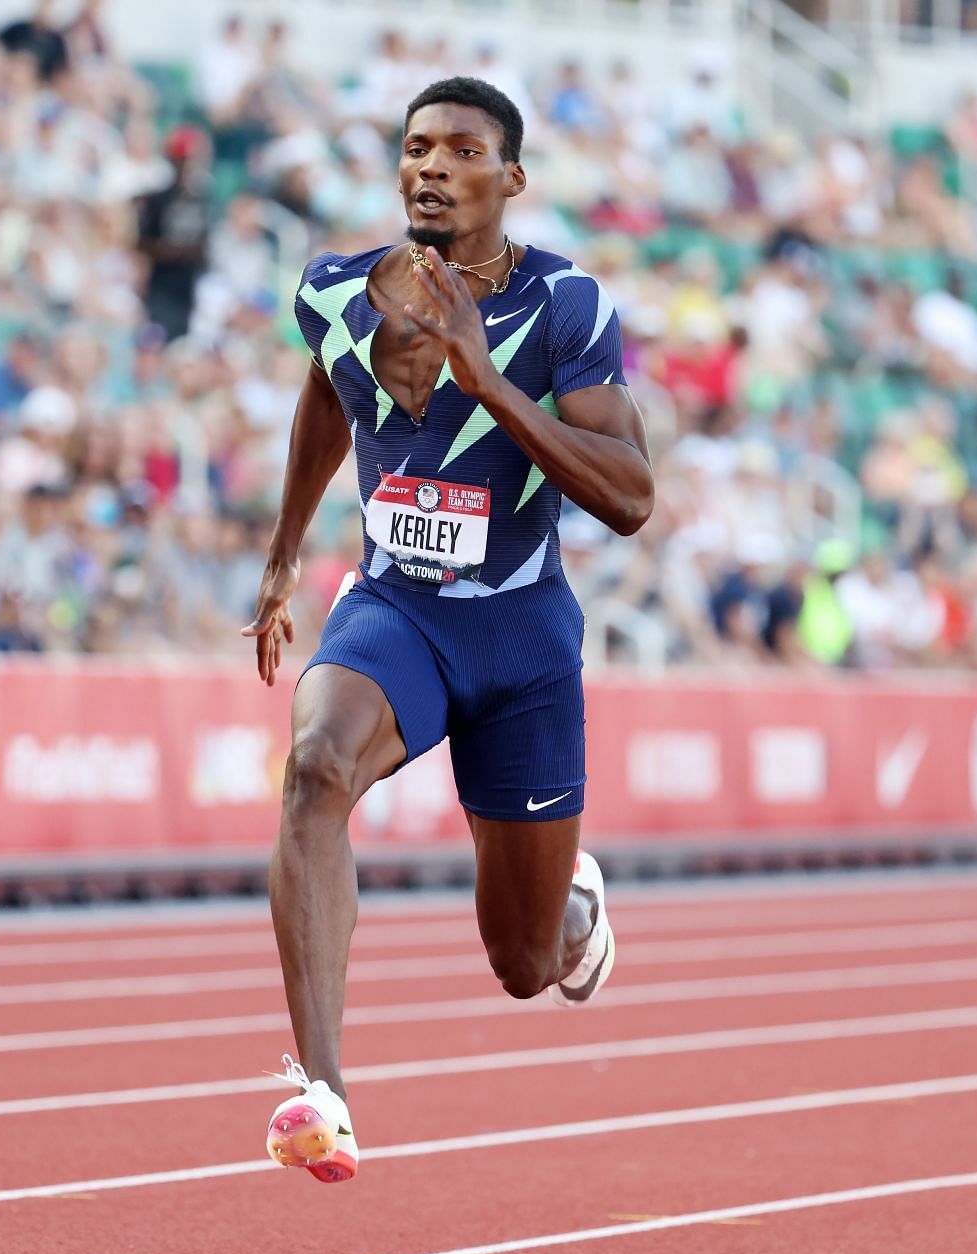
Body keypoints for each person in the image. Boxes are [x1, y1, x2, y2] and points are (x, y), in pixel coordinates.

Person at [242, 78, 653, 1182]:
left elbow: (630, 495)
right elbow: (330, 397)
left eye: (461, 151)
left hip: (519, 640)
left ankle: (572, 902)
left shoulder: (565, 307)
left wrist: (491, 383)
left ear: (508, 179)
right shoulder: (332, 290)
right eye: (416, 147)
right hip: (396, 610)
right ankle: (320, 1088)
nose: (430, 166)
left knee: (523, 965)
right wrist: (285, 554)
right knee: (315, 767)